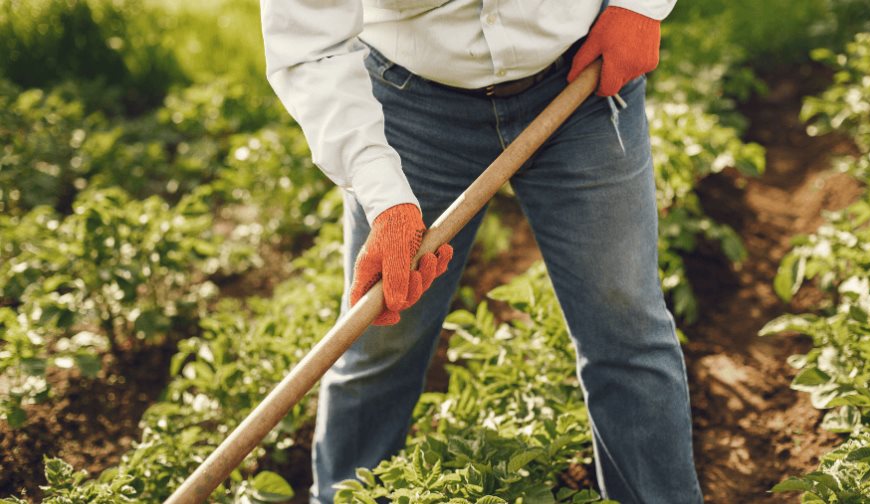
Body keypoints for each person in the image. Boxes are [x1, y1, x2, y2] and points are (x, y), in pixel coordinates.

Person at [260, 1, 703, 502]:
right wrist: (384, 196)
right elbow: (308, 44)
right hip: (411, 106)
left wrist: (638, 6)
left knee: (627, 333)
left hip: (581, 74)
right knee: (381, 338)